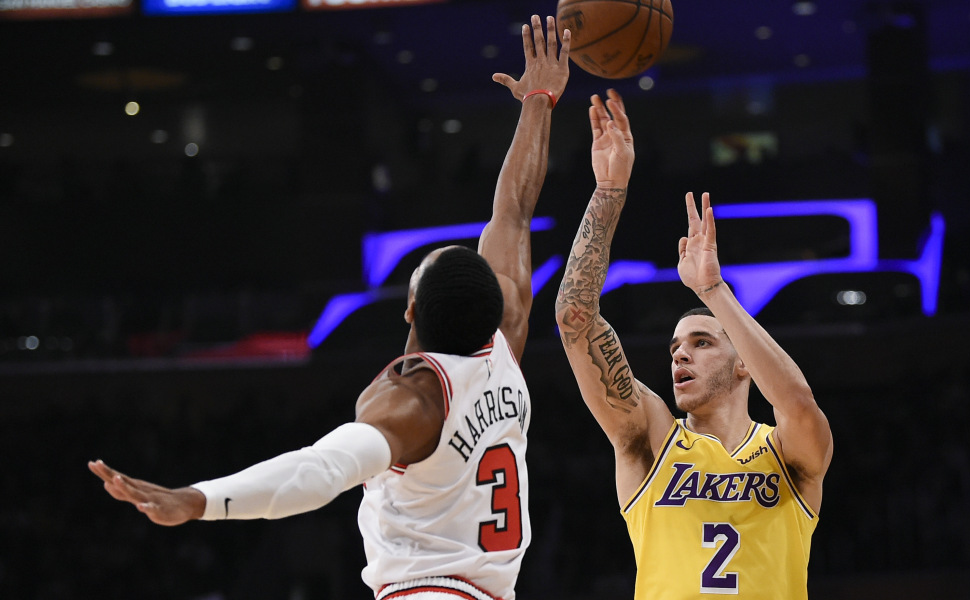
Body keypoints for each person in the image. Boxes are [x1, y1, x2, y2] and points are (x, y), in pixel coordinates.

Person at [89, 15, 571, 600]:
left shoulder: (414, 399)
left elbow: (319, 471)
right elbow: (514, 211)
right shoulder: (505, 348)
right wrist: (539, 103)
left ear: (410, 310)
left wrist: (199, 501)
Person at [554, 90, 834, 599]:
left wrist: (712, 292)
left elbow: (796, 402)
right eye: (676, 347)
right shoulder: (653, 437)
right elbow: (576, 320)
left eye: (701, 342)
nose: (680, 354)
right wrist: (610, 190)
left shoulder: (787, 452)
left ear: (745, 364)